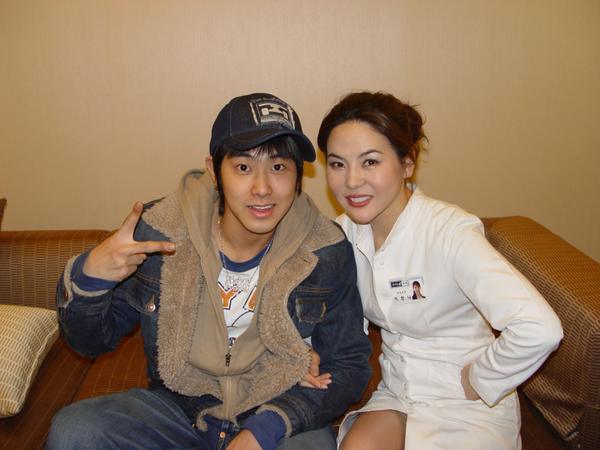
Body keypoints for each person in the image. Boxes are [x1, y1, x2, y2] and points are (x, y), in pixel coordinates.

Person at [48, 93, 371, 450]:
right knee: (75, 431)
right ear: (214, 172)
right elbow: (90, 342)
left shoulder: (325, 249)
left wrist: (265, 430)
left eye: (279, 167)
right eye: (243, 168)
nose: (262, 189)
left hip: (273, 411)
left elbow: (348, 365)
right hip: (180, 408)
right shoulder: (161, 233)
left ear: (298, 176)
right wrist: (90, 279)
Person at [317, 91, 563, 450]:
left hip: (468, 401)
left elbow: (540, 328)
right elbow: (325, 312)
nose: (352, 181)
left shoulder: (449, 232)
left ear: (407, 163)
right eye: (338, 164)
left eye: (370, 162)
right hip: (398, 391)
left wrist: (480, 378)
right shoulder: (343, 235)